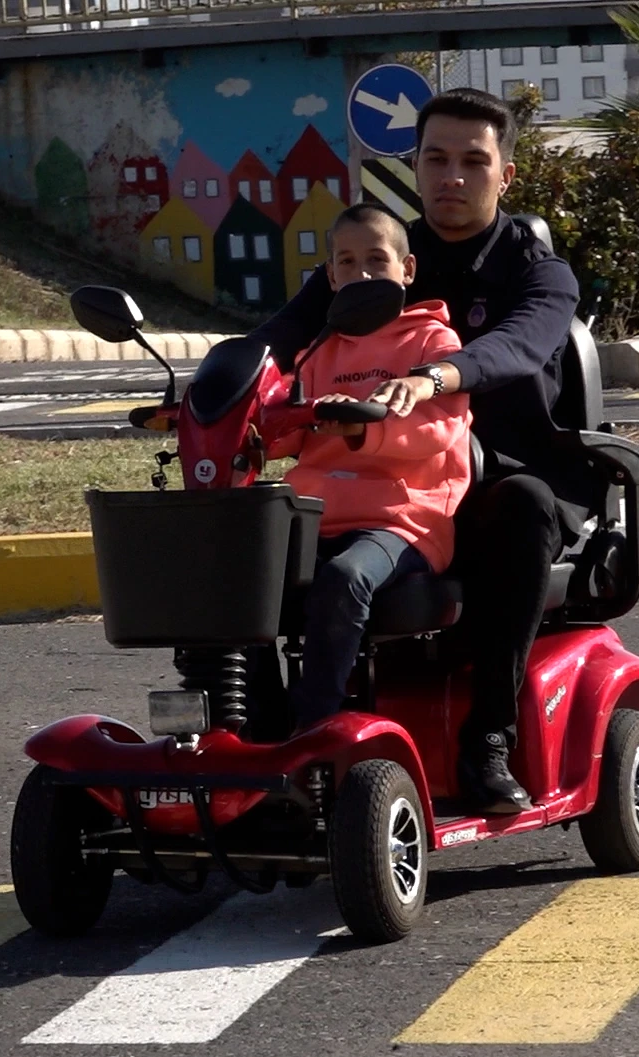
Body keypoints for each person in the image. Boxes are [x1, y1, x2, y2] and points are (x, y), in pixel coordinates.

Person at [246, 87, 583, 814]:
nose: (451, 176)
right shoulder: (382, 260)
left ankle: (488, 741)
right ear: (415, 165)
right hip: (378, 479)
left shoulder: (537, 269)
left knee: (521, 509)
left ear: (504, 175)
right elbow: (281, 337)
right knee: (246, 529)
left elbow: (517, 347)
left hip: (507, 474)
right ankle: (265, 735)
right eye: (436, 158)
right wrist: (212, 388)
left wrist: (433, 377)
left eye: (472, 160)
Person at [265, 204, 473, 737]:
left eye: (376, 261)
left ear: (406, 270)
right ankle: (252, 720)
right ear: (330, 276)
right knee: (239, 573)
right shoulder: (316, 352)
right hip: (315, 512)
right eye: (348, 263)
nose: (361, 275)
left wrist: (359, 428)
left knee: (343, 578)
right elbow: (284, 433)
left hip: (402, 519)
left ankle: (314, 731)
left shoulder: (433, 344)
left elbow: (441, 431)